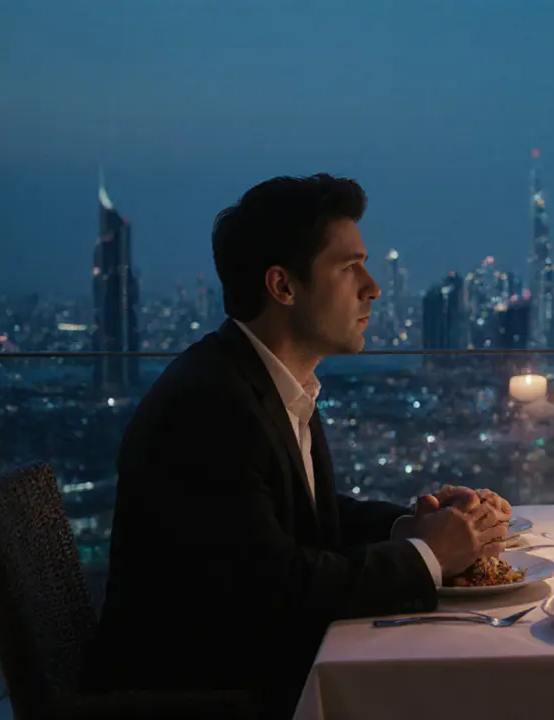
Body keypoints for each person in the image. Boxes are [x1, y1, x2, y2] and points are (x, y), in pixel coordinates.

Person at [87, 174, 511, 718]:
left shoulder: (261, 381)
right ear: (283, 287)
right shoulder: (212, 408)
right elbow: (277, 591)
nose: (373, 286)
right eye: (349, 266)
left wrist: (412, 526)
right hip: (202, 695)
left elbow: (303, 517)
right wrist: (428, 556)